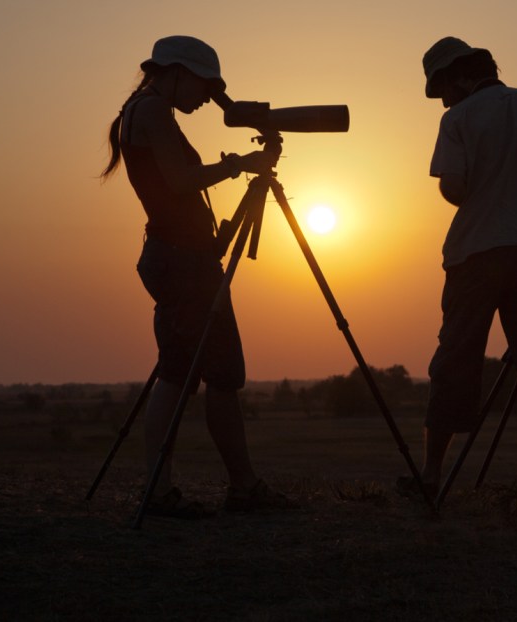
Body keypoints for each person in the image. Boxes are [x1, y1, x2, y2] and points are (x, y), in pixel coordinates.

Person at [101, 35, 289, 518]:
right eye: (204, 87)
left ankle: (242, 486)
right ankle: (162, 494)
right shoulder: (151, 112)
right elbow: (180, 182)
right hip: (179, 260)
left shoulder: (143, 111)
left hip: (186, 258)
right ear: (177, 72)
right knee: (177, 373)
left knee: (221, 375)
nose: (206, 99)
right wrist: (240, 166)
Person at [410, 37, 517, 518]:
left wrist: (461, 185)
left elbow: (456, 187)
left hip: (474, 255)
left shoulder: (458, 119)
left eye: (443, 89)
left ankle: (430, 475)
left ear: (460, 78)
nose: (442, 100)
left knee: (455, 359)